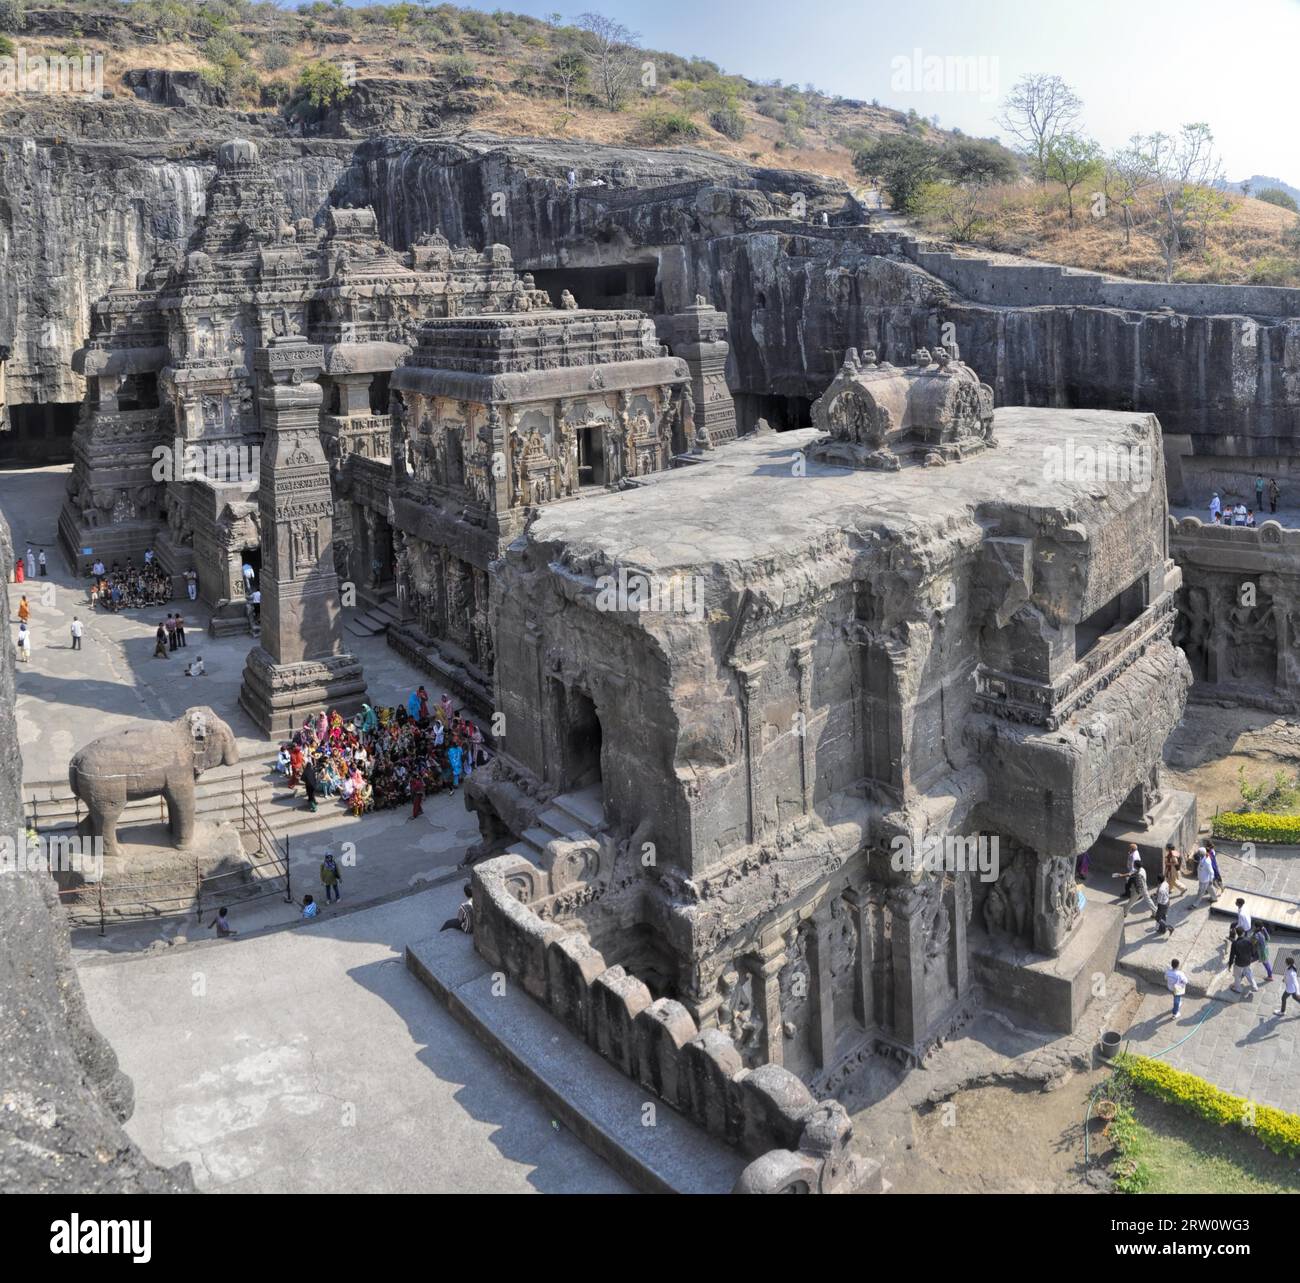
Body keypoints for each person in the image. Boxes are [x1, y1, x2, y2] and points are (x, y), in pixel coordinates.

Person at [1229, 927, 1260, 996]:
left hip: (1239, 963)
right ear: (1243, 933)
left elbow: (1232, 955)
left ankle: (1238, 989)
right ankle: (1255, 987)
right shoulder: (1248, 941)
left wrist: (1230, 964)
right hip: (1247, 961)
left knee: (1237, 976)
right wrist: (1252, 956)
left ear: (1237, 934)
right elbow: (1253, 950)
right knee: (1249, 974)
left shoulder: (1235, 943)